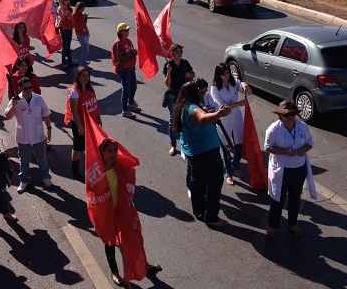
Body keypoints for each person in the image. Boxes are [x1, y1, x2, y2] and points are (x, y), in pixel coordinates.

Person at [96, 139, 163, 288]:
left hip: (124, 210)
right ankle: (115, 273)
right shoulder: (98, 172)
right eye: (109, 151)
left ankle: (144, 265)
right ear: (101, 153)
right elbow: (93, 194)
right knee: (110, 243)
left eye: (115, 150)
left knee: (136, 237)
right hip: (108, 214)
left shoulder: (119, 166)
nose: (113, 154)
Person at [173, 81, 230, 227]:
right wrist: (219, 114)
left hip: (194, 152)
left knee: (197, 182)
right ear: (193, 93)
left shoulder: (181, 106)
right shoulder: (192, 107)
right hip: (206, 154)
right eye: (198, 90)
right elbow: (202, 118)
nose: (201, 92)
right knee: (214, 183)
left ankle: (199, 210)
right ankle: (212, 217)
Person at [265, 100, 314, 239]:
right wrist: (285, 151)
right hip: (281, 170)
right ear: (280, 116)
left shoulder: (302, 126)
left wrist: (301, 150)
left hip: (299, 169)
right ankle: (272, 227)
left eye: (293, 114)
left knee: (294, 198)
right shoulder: (273, 129)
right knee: (277, 199)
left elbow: (309, 143)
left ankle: (292, 224)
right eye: (287, 115)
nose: (290, 117)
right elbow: (268, 147)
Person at [5, 77, 53, 193]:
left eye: (30, 87)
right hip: (23, 137)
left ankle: (45, 178)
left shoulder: (38, 99)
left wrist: (49, 128)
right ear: (20, 88)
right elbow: (7, 116)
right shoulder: (15, 100)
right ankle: (24, 181)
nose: (29, 90)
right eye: (26, 88)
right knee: (24, 161)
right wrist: (13, 104)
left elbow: (46, 114)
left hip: (38, 135)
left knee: (42, 159)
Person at [210, 63, 251, 185]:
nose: (226, 76)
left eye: (227, 73)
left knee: (239, 143)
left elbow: (247, 91)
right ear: (218, 75)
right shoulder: (215, 88)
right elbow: (224, 107)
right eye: (223, 74)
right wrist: (239, 104)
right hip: (224, 119)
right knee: (226, 147)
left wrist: (245, 85)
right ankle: (228, 173)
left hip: (236, 117)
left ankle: (235, 165)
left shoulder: (234, 82)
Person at [64, 67, 101, 181]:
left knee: (90, 146)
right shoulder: (75, 91)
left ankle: (91, 170)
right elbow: (74, 112)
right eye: (83, 75)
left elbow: (94, 104)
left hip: (91, 123)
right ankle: (75, 171)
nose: (85, 78)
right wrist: (80, 127)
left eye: (87, 75)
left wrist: (98, 118)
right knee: (78, 148)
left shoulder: (89, 87)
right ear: (78, 77)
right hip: (80, 124)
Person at [163, 44, 194, 156]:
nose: (179, 54)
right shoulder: (168, 65)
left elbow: (192, 75)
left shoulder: (185, 63)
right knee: (173, 121)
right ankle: (173, 145)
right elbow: (167, 84)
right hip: (173, 97)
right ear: (172, 53)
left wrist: (189, 74)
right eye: (176, 52)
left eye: (180, 52)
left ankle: (185, 144)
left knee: (185, 120)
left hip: (185, 95)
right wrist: (169, 72)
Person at [111, 22, 141, 118]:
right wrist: (132, 54)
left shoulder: (128, 41)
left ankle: (131, 102)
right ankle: (125, 110)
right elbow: (119, 59)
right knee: (126, 89)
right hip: (123, 70)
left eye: (128, 30)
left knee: (134, 86)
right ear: (120, 32)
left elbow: (131, 50)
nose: (128, 32)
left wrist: (133, 52)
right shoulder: (117, 44)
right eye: (126, 30)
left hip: (131, 68)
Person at [56, 0, 74, 68]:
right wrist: (66, 12)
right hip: (64, 28)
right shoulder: (60, 8)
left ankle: (70, 61)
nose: (67, 1)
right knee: (65, 45)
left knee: (68, 45)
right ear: (62, 0)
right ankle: (64, 62)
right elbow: (62, 18)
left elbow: (71, 16)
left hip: (69, 28)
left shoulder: (68, 7)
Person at [73, 2, 90, 66]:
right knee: (84, 48)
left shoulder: (81, 14)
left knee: (86, 48)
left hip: (85, 33)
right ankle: (82, 62)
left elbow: (84, 24)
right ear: (79, 8)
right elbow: (76, 25)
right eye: (83, 8)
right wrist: (83, 17)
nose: (84, 9)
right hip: (80, 34)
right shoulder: (75, 15)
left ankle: (83, 61)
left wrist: (85, 18)